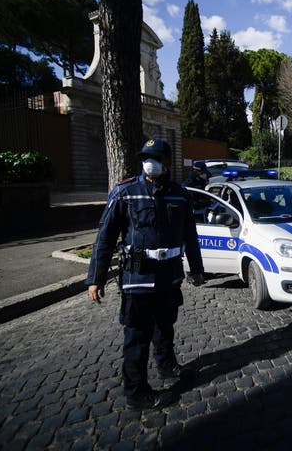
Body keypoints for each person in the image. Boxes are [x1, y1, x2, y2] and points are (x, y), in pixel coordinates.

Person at [86, 138, 205, 410]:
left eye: (155, 158)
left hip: (168, 277)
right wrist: (96, 278)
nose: (149, 163)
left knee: (165, 326)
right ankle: (136, 392)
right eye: (145, 157)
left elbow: (190, 235)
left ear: (167, 162)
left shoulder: (179, 194)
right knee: (137, 336)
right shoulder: (125, 192)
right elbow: (105, 238)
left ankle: (166, 365)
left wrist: (196, 269)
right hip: (137, 278)